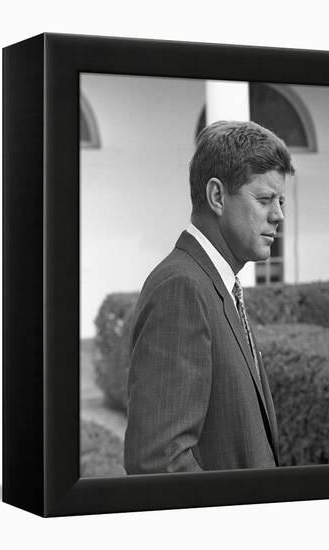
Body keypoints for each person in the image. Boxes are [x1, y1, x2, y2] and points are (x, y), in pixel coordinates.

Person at [124, 120, 295, 474]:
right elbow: (159, 462)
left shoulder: (217, 282)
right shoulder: (181, 288)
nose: (279, 215)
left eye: (280, 200)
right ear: (217, 196)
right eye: (264, 199)